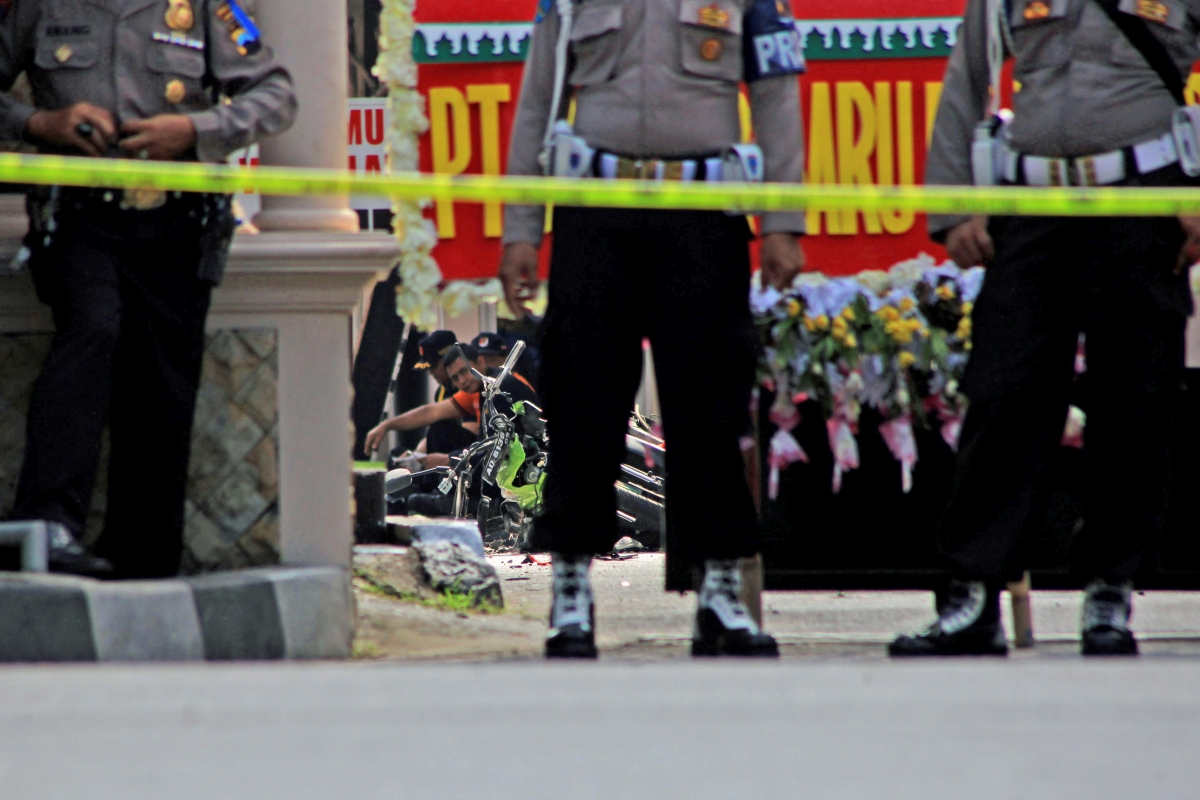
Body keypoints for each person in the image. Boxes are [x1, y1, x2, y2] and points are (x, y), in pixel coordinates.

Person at [889, 0, 1200, 657]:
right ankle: (973, 595)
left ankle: (1110, 591)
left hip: (1145, 199)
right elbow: (969, 74)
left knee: (1135, 399)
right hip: (1032, 203)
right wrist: (956, 205)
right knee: (1004, 394)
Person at [499, 0, 806, 658]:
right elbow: (538, 102)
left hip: (702, 212)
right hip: (595, 212)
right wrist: (522, 228)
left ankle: (720, 590)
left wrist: (784, 220)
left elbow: (778, 97)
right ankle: (572, 587)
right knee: (583, 400)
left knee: (710, 405)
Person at [0, 0, 295, 578]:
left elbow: (277, 94)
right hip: (78, 213)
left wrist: (194, 130)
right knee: (93, 326)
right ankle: (47, 521)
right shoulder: (40, 5)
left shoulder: (207, 7)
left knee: (161, 375)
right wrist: (38, 124)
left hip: (176, 220)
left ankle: (139, 554)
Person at [364, 344, 538, 456]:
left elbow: (496, 445)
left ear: (481, 362)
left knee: (441, 437)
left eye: (464, 372)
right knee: (439, 430)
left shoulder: (501, 385)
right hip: (503, 454)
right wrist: (386, 426)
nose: (461, 381)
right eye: (455, 378)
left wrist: (448, 460)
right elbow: (430, 412)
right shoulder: (478, 387)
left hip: (528, 457)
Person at [412, 330, 478, 458]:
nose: (430, 372)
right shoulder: (442, 391)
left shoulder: (470, 385)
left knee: (439, 431)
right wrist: (415, 454)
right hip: (454, 452)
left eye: (433, 365)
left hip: (473, 454)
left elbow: (472, 431)